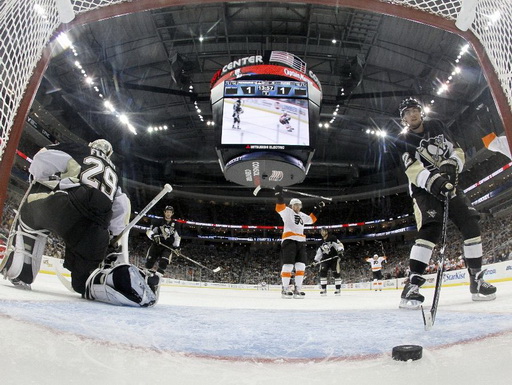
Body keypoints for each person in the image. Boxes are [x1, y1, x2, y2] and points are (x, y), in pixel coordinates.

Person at [0, 139, 157, 307]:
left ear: (92, 146)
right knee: (83, 284)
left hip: (67, 208)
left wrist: (41, 178)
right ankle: (121, 280)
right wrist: (110, 237)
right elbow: (123, 207)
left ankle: (22, 270)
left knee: (31, 209)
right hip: (97, 228)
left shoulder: (78, 149)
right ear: (109, 155)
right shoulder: (116, 174)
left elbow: (42, 159)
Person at [395, 97, 496, 309]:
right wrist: (435, 181)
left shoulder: (437, 126)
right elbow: (412, 170)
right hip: (425, 191)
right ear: (403, 118)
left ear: (421, 112)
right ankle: (411, 287)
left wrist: (452, 164)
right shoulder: (401, 140)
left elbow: (457, 150)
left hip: (450, 186)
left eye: (415, 110)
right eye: (407, 113)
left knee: (471, 224)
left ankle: (476, 280)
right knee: (430, 231)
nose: (412, 114)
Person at [275, 185, 323, 298]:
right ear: (291, 205)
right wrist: (279, 194)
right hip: (289, 241)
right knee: (288, 265)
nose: (297, 206)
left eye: (299, 205)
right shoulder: (287, 211)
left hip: (300, 242)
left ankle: (298, 289)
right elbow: (279, 207)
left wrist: (318, 208)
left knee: (301, 266)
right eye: (295, 204)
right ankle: (285, 289)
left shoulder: (302, 215)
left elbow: (311, 220)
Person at [144, 205, 181, 283]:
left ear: (172, 214)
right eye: (167, 212)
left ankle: (157, 280)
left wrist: (176, 247)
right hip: (156, 245)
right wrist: (153, 236)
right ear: (164, 212)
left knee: (163, 263)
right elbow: (149, 231)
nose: (168, 214)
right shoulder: (157, 222)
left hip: (167, 247)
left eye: (170, 212)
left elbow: (177, 237)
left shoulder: (176, 225)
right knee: (149, 264)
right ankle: (144, 278)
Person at [313, 228, 344, 296]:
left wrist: (340, 251)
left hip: (334, 259)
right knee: (322, 273)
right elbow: (319, 253)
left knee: (336, 273)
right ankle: (323, 289)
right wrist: (315, 261)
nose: (322, 232)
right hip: (325, 260)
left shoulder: (333, 238)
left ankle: (338, 289)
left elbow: (339, 245)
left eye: (323, 231)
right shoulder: (320, 242)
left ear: (326, 231)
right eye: (321, 231)